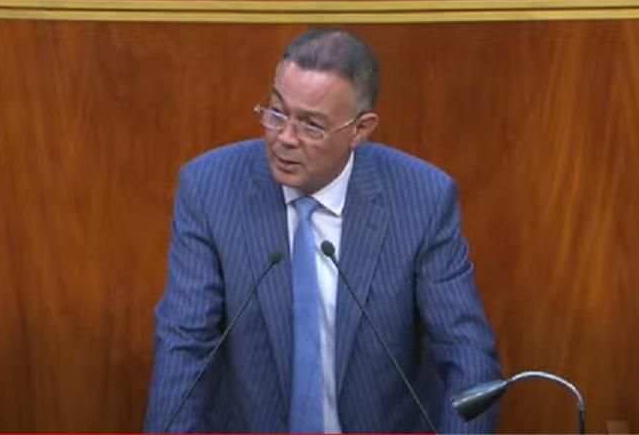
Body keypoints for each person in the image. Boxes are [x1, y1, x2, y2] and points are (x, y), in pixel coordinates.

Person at [143, 27, 502, 434]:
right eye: (277, 112)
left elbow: (467, 354)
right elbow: (184, 346)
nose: (285, 138)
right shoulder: (211, 188)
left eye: (311, 125)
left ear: (360, 130)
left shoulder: (422, 199)